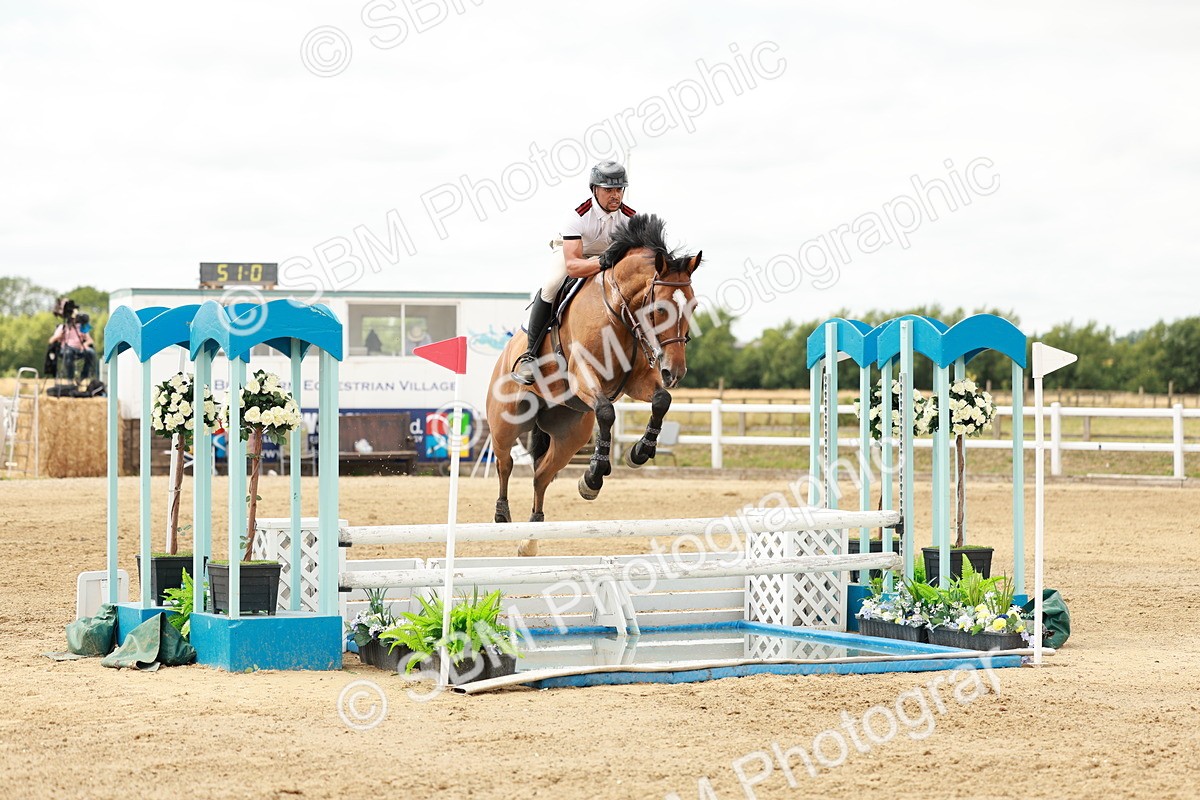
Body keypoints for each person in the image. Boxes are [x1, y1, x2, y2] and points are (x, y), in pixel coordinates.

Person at [510, 160, 636, 385]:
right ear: (595, 189)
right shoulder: (578, 214)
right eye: (609, 190)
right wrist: (604, 261)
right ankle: (530, 354)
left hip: (608, 257)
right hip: (573, 253)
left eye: (619, 189)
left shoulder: (630, 217)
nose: (615, 195)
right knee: (551, 285)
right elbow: (574, 267)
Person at [48, 315, 96, 381]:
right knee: (69, 353)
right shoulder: (63, 327)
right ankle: (70, 379)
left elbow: (90, 340)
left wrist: (84, 345)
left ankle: (83, 376)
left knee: (91, 352)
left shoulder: (82, 327)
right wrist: (59, 336)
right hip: (66, 349)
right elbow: (51, 340)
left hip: (79, 349)